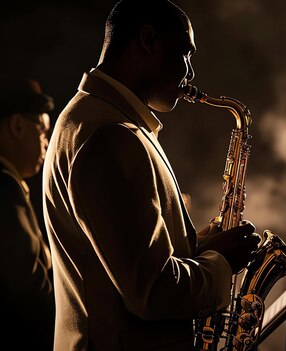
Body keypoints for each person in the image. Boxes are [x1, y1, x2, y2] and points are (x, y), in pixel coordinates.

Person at [42, 1, 260, 349]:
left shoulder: (93, 118)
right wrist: (221, 263)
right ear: (148, 39)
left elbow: (120, 261)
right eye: (185, 53)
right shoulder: (112, 136)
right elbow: (153, 292)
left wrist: (202, 246)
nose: (189, 73)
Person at [0, 78, 55, 349]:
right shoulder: (5, 191)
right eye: (43, 130)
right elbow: (29, 293)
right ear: (18, 126)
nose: (47, 141)